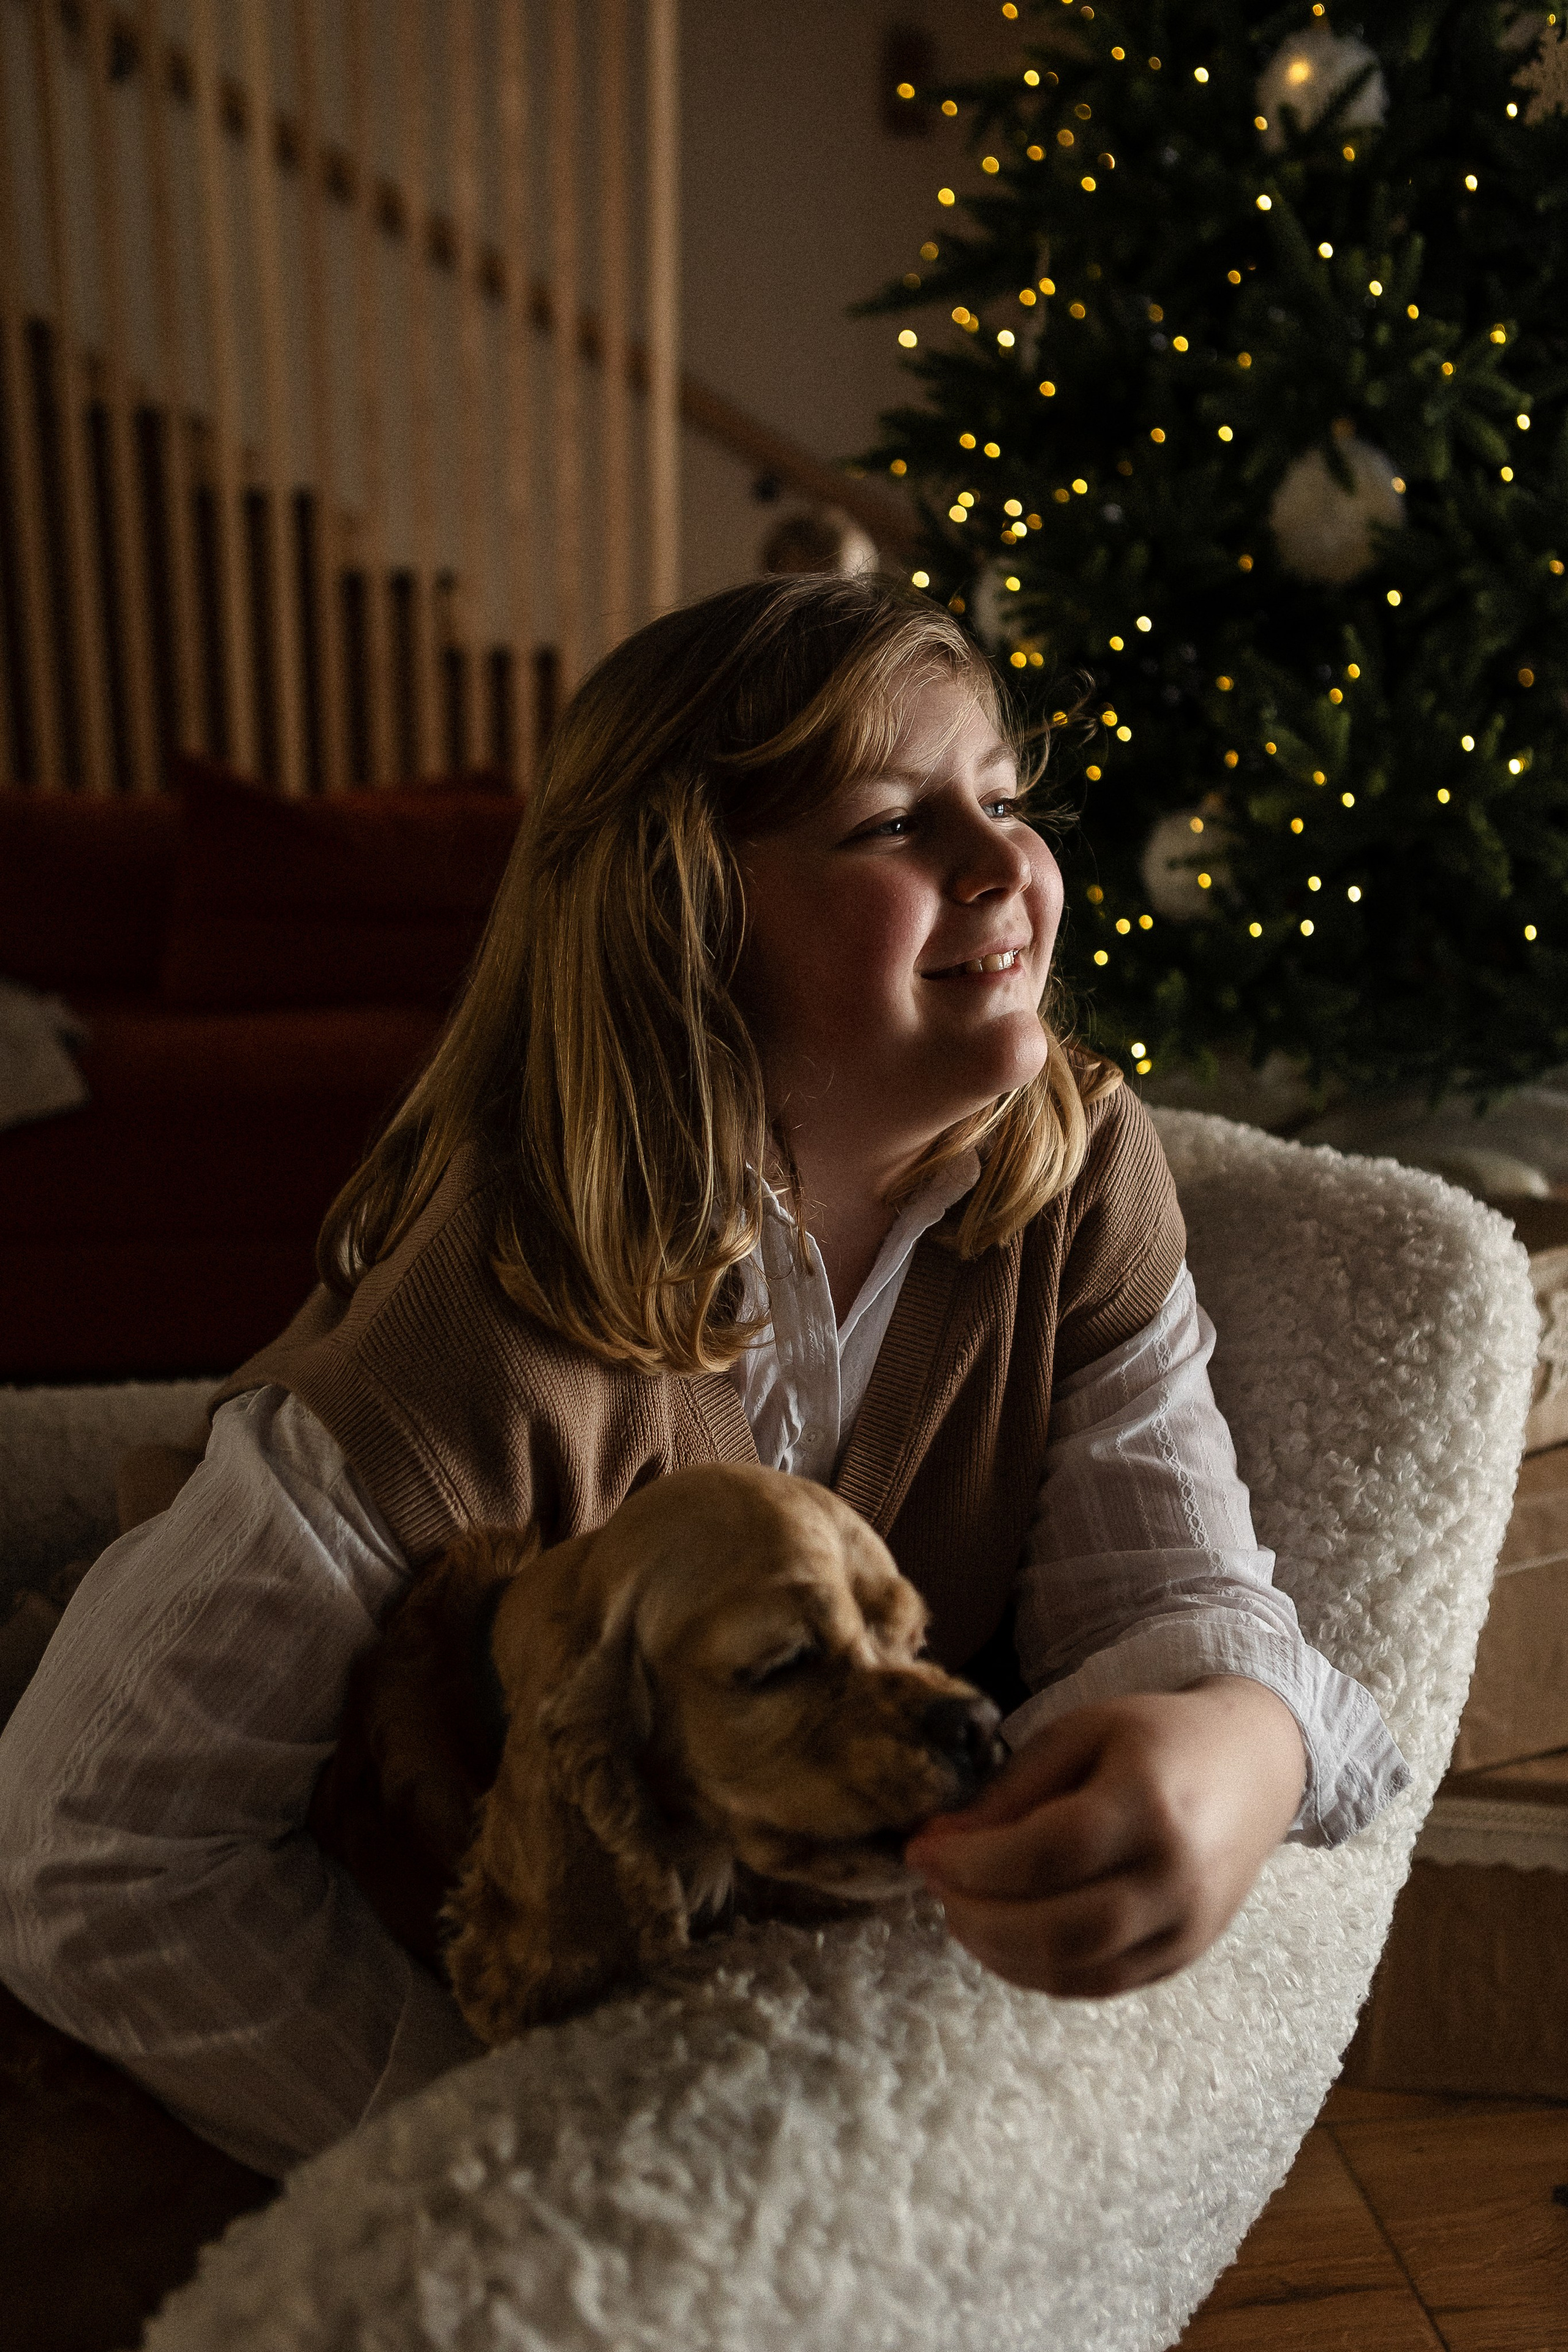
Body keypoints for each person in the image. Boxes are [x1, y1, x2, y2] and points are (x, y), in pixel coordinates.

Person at [0, 577, 1407, 2179]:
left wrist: (1241, 1745)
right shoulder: (476, 1340)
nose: (1006, 861)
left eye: (1006, 802)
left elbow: (1175, 1606)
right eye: (894, 823)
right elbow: (88, 1855)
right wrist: (474, 2158)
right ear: (682, 908)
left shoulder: (1076, 1180)